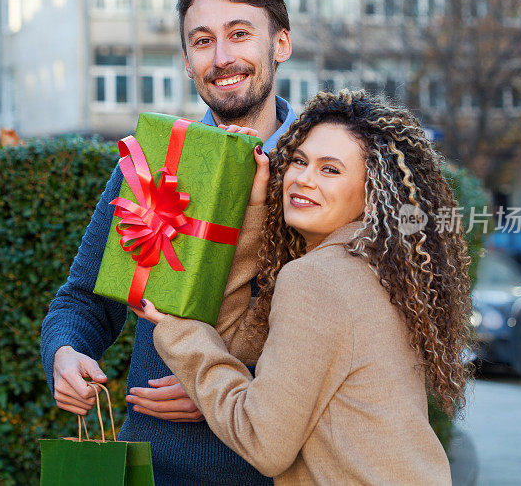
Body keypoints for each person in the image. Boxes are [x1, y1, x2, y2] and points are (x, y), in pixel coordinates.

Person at [133, 90, 473, 485]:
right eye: (299, 160)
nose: (302, 179)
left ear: (372, 192)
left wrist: (178, 330)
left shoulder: (318, 278)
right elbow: (236, 343)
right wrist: (256, 212)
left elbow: (263, 442)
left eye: (330, 170)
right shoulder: (380, 268)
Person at [40, 0, 297, 485]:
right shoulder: (152, 164)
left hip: (274, 472)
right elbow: (84, 299)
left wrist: (226, 388)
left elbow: (349, 342)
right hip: (149, 468)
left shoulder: (321, 173)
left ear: (281, 44)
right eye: (202, 41)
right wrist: (67, 354)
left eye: (240, 33)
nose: (221, 56)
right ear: (186, 61)